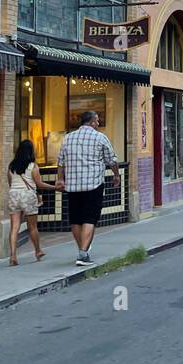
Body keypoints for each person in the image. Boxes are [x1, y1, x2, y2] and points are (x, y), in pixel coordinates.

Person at [55, 111, 120, 267]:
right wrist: (116, 175)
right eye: (97, 121)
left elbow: (61, 162)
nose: (98, 124)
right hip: (93, 185)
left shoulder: (68, 138)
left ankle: (82, 250)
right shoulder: (100, 138)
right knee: (90, 218)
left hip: (73, 186)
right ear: (91, 122)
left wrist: (60, 179)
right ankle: (83, 254)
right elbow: (112, 160)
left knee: (76, 220)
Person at [6, 139, 58, 266]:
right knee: (32, 227)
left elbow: (10, 183)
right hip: (28, 195)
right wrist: (55, 187)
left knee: (14, 227)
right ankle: (38, 251)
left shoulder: (11, 166)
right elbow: (39, 183)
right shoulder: (33, 166)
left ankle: (12, 255)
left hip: (13, 194)